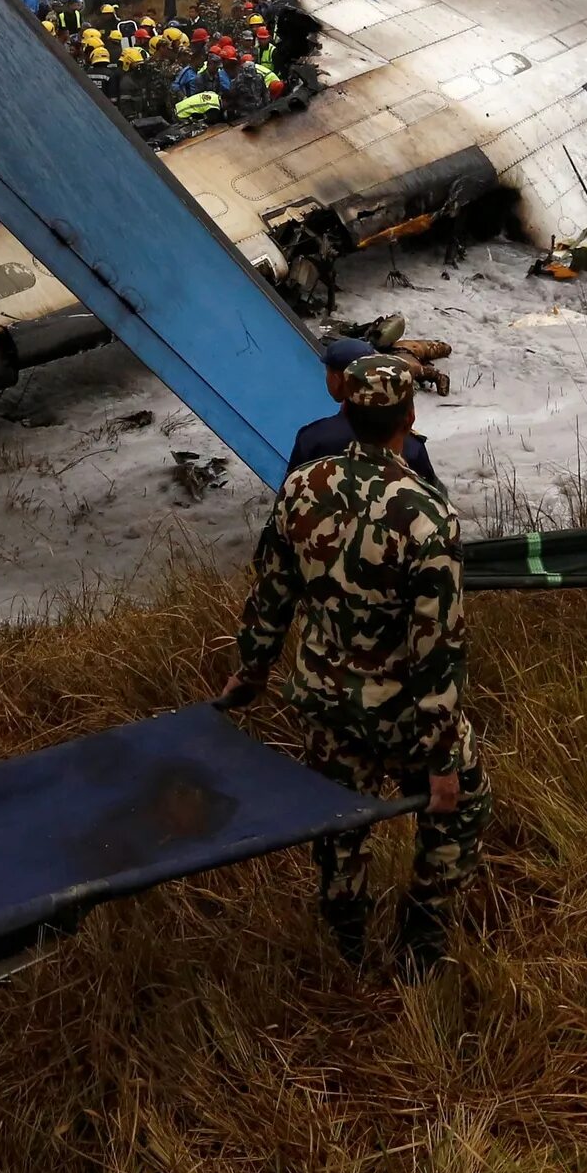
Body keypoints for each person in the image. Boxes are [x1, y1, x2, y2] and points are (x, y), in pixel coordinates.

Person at [218, 355, 486, 978]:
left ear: (346, 410)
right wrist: (443, 761)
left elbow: (271, 593)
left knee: (340, 823)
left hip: (322, 700)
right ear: (410, 417)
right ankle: (423, 943)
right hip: (400, 712)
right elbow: (437, 646)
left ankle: (347, 944)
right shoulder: (426, 514)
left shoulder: (301, 488)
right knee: (460, 807)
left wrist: (251, 669)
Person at [286, 336, 441, 482]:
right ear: (410, 417)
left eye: (328, 373)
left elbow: (290, 495)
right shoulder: (412, 446)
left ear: (338, 380)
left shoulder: (313, 440)